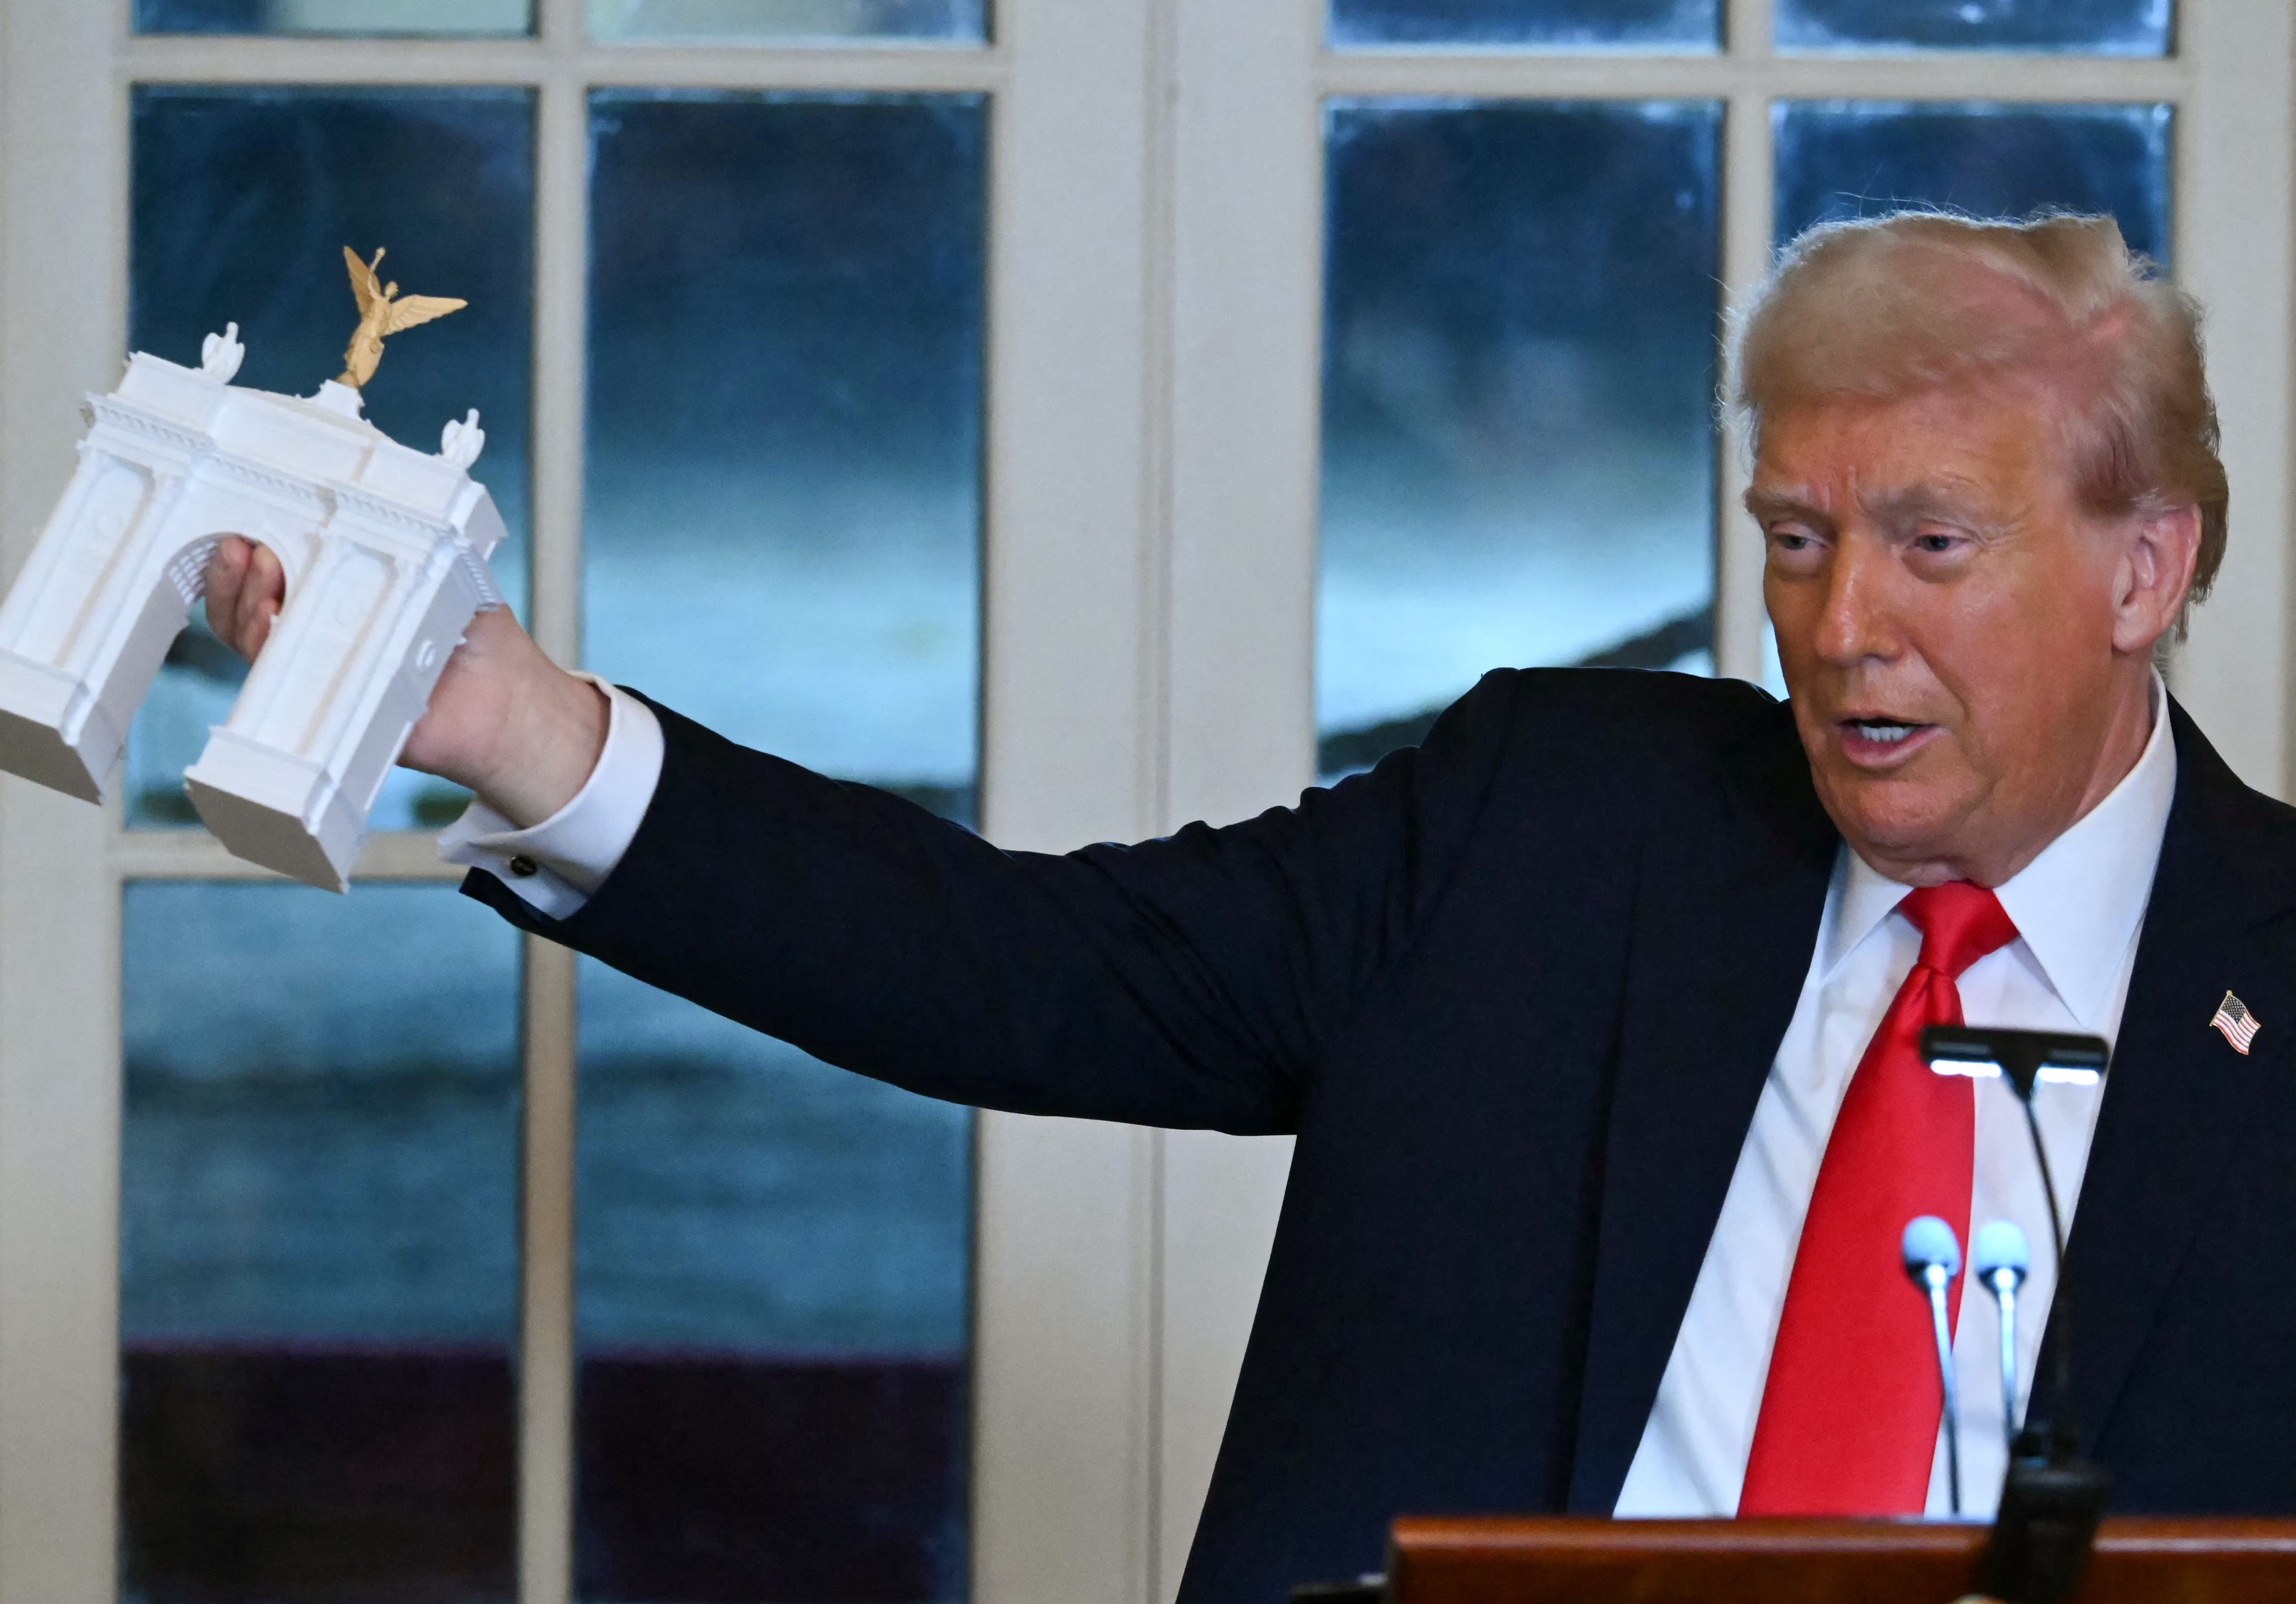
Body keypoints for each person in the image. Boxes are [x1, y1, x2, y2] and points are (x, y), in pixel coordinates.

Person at [204, 210, 2296, 1603]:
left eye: (1932, 546)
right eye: (1798, 539)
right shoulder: (1556, 830)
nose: (1839, 630)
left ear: (2147, 568)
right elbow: (1019, 971)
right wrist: (519, 722)